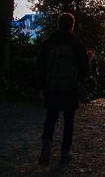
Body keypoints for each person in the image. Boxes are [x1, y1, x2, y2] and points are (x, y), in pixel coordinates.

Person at [37, 12, 93, 166]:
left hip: (52, 87)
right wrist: (88, 59)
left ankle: (47, 143)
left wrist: (41, 87)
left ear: (57, 24)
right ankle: (64, 152)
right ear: (72, 26)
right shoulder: (76, 44)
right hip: (70, 88)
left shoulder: (48, 42)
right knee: (69, 121)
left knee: (51, 118)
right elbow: (84, 70)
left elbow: (40, 66)